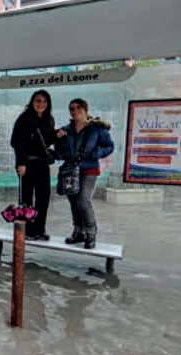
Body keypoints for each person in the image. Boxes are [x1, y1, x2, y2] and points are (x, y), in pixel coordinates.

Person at [56, 98, 114, 249]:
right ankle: (78, 232)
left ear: (85, 110)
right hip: (70, 171)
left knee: (83, 200)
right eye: (72, 109)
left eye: (78, 108)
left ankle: (91, 233)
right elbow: (60, 152)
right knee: (74, 201)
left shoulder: (96, 129)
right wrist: (59, 140)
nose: (75, 111)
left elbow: (109, 146)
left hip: (89, 170)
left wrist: (96, 153)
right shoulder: (66, 130)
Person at [10, 90, 56, 241]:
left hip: (42, 163)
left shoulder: (49, 119)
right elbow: (17, 142)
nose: (41, 104)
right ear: (32, 102)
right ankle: (28, 230)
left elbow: (46, 141)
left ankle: (40, 229)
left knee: (44, 197)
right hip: (27, 164)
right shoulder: (24, 118)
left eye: (44, 101)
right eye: (38, 101)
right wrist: (21, 163)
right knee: (27, 198)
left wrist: (56, 135)